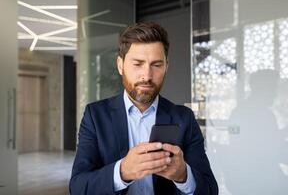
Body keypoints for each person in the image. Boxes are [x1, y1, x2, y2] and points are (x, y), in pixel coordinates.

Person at [69, 22, 218, 195]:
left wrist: (183, 175)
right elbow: (78, 188)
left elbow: (210, 190)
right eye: (138, 64)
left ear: (166, 67)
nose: (147, 75)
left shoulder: (184, 118)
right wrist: (122, 171)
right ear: (120, 65)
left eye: (156, 65)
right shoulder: (95, 116)